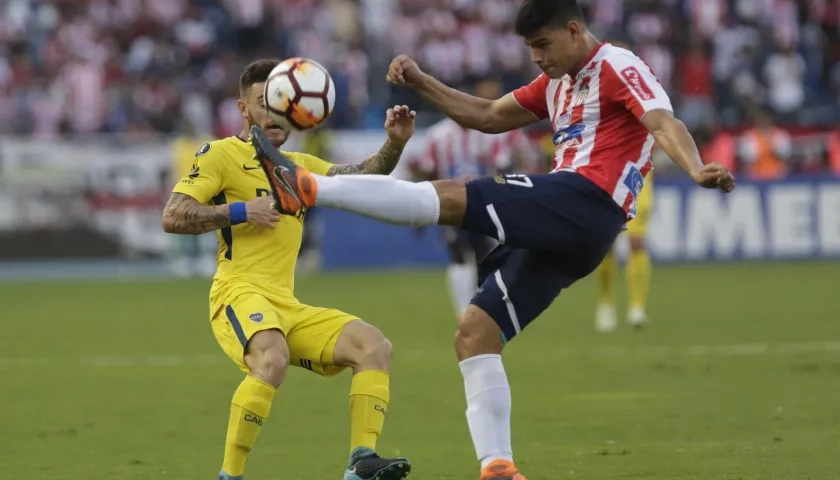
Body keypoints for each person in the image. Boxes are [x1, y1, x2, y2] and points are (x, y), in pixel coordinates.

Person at [251, 1, 735, 479]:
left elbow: (662, 121)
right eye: (529, 47)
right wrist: (421, 82)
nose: (536, 58)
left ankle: (312, 188)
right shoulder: (556, 84)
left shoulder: (617, 65)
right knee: (475, 333)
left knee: (454, 196)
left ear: (573, 30)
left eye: (542, 44)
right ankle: (498, 467)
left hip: (587, 197)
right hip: (576, 235)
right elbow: (485, 114)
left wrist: (695, 167)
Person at [160, 59, 417, 480]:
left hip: (286, 304)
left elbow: (359, 178)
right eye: (266, 102)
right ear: (244, 110)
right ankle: (231, 475)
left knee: (373, 345)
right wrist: (243, 210)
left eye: (283, 102)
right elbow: (173, 216)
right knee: (272, 357)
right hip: (237, 293)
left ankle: (361, 461)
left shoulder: (298, 166)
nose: (276, 111)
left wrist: (394, 145)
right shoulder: (221, 154)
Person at [410, 77, 537, 317]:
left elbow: (501, 168)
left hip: (483, 202)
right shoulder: (438, 135)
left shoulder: (491, 134)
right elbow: (429, 169)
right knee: (457, 252)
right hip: (450, 202)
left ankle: (481, 307)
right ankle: (462, 311)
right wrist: (421, 206)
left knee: (484, 256)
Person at [594, 151, 654, 332]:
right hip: (610, 171)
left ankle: (637, 307)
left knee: (637, 243)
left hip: (639, 174)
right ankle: (605, 303)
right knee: (607, 245)